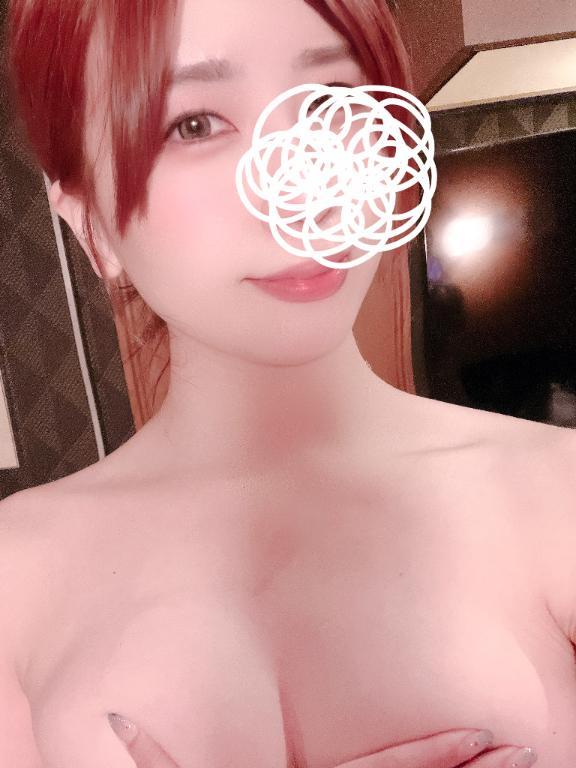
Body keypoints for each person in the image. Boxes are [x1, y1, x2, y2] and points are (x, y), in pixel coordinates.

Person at [1, 0, 575, 765]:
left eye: (332, 103)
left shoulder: (558, 492)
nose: (302, 191)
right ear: (90, 226)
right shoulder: (15, 573)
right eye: (194, 124)